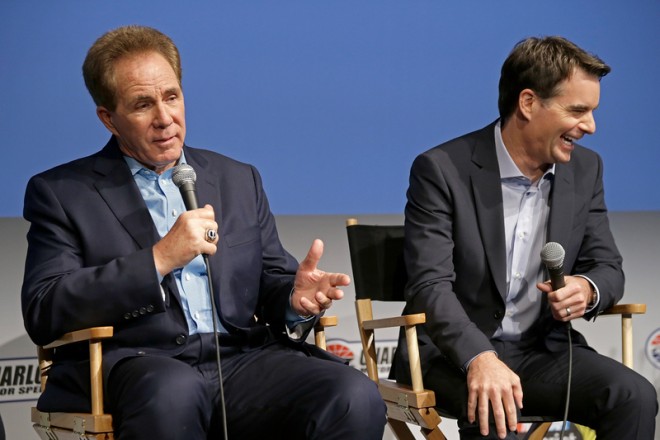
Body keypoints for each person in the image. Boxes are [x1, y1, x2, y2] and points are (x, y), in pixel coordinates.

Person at [21, 25, 386, 440]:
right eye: (142, 104)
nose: (165, 119)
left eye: (172, 97)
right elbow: (44, 307)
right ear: (109, 118)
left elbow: (271, 279)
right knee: (175, 391)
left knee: (352, 394)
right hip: (139, 362)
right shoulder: (64, 192)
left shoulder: (236, 178)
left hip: (240, 358)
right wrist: (158, 259)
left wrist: (293, 297)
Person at [391, 36, 657, 439]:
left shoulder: (586, 170)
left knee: (632, 395)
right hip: (452, 354)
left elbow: (607, 267)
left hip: (541, 350)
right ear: (528, 103)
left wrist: (586, 289)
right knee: (495, 404)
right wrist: (479, 356)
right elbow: (430, 285)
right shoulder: (441, 169)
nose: (590, 126)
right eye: (578, 110)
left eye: (592, 112)